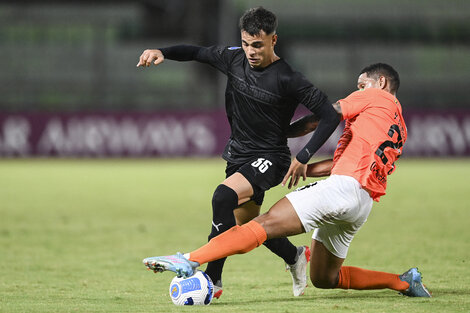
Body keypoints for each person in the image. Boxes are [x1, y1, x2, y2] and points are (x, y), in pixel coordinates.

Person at [143, 63, 432, 298]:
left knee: (262, 224)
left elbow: (325, 115)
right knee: (325, 278)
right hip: (361, 203)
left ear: (381, 82)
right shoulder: (398, 126)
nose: (357, 90)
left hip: (342, 190)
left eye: (361, 84)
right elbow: (342, 165)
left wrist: (280, 135)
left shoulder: (376, 96)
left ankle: (189, 258)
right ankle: (403, 282)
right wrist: (304, 170)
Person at [137, 7, 340, 298]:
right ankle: (294, 256)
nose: (250, 51)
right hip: (239, 155)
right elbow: (197, 52)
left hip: (271, 157)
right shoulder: (233, 58)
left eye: (257, 44)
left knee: (222, 196)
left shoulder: (289, 78)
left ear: (273, 40)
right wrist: (162, 51)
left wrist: (304, 155)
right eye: (245, 43)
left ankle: (212, 280)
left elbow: (329, 116)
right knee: (248, 225)